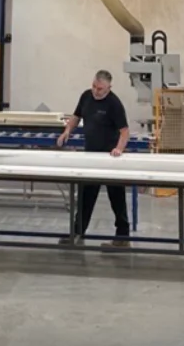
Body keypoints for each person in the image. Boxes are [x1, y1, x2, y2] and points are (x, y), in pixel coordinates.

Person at [56, 68, 131, 246]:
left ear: (109, 88)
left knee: (117, 198)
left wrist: (119, 149)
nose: (96, 91)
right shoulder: (86, 96)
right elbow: (76, 116)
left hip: (110, 158)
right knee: (86, 197)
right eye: (94, 87)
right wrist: (67, 131)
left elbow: (125, 131)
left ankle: (122, 237)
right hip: (91, 156)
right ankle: (77, 233)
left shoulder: (114, 104)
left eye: (100, 89)